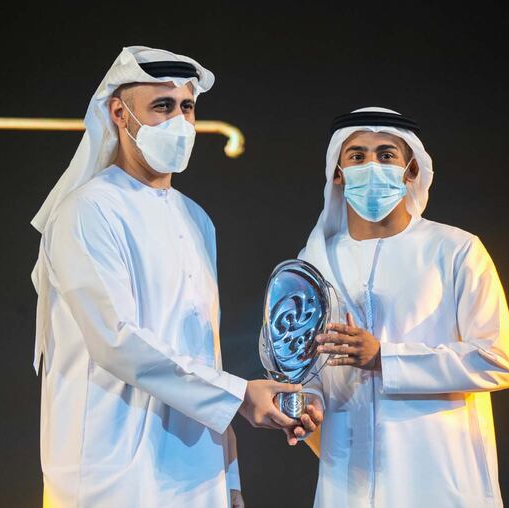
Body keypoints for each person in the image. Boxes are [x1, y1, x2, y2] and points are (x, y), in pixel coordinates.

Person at [30, 46, 317, 508]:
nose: (179, 122)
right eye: (162, 107)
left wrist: (229, 478)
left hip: (197, 473)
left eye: (187, 108)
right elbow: (117, 341)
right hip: (112, 469)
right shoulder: (87, 210)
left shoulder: (196, 219)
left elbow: (205, 353)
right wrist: (242, 396)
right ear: (120, 115)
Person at [298, 107, 509, 507]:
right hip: (348, 479)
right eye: (357, 156)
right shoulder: (313, 263)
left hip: (440, 473)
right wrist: (304, 401)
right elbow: (311, 366)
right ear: (338, 172)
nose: (371, 165)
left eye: (386, 155)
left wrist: (386, 357)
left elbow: (495, 360)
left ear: (411, 170)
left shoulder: (456, 250)